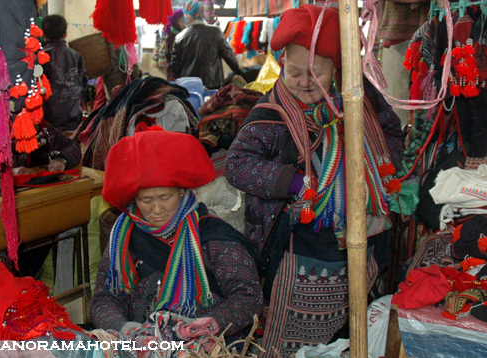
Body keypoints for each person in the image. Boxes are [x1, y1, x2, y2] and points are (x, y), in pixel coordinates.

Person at [224, 5, 404, 356]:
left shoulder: (359, 101)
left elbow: (392, 134)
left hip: (359, 241)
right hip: (295, 248)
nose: (304, 82)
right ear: (281, 67)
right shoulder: (271, 115)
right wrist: (296, 184)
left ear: (337, 70)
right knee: (288, 341)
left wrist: (370, 174)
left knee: (345, 331)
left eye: (315, 73)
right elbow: (237, 165)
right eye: (293, 73)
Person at [91, 129, 263, 341]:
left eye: (165, 197)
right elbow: (105, 298)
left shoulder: (214, 236)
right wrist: (124, 328)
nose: (156, 209)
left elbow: (248, 298)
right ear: (134, 198)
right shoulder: (123, 236)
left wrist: (200, 326)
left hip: (206, 346)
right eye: (146, 200)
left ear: (182, 191)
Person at [170, 0, 245, 89]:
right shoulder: (215, 31)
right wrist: (241, 73)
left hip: (189, 87)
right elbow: (229, 56)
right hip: (213, 85)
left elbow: (175, 67)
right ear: (203, 13)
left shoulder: (180, 37)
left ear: (187, 14)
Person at [41, 14, 89, 133]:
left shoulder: (39, 57)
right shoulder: (77, 56)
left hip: (48, 122)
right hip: (73, 122)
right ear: (65, 34)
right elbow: (84, 87)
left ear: (43, 34)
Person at [164, 9, 185, 81]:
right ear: (176, 23)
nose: (184, 24)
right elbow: (172, 58)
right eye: (182, 22)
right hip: (174, 76)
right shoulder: (172, 37)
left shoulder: (183, 35)